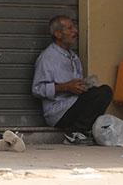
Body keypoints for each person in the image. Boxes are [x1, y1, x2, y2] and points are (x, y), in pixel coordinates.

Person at [32, 15, 113, 144]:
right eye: (70, 28)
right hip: (58, 112)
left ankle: (81, 131)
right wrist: (65, 87)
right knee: (101, 93)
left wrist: (84, 86)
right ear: (58, 34)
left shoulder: (73, 57)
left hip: (73, 104)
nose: (75, 31)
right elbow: (37, 89)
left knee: (104, 91)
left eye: (74, 27)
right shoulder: (47, 58)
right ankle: (74, 133)